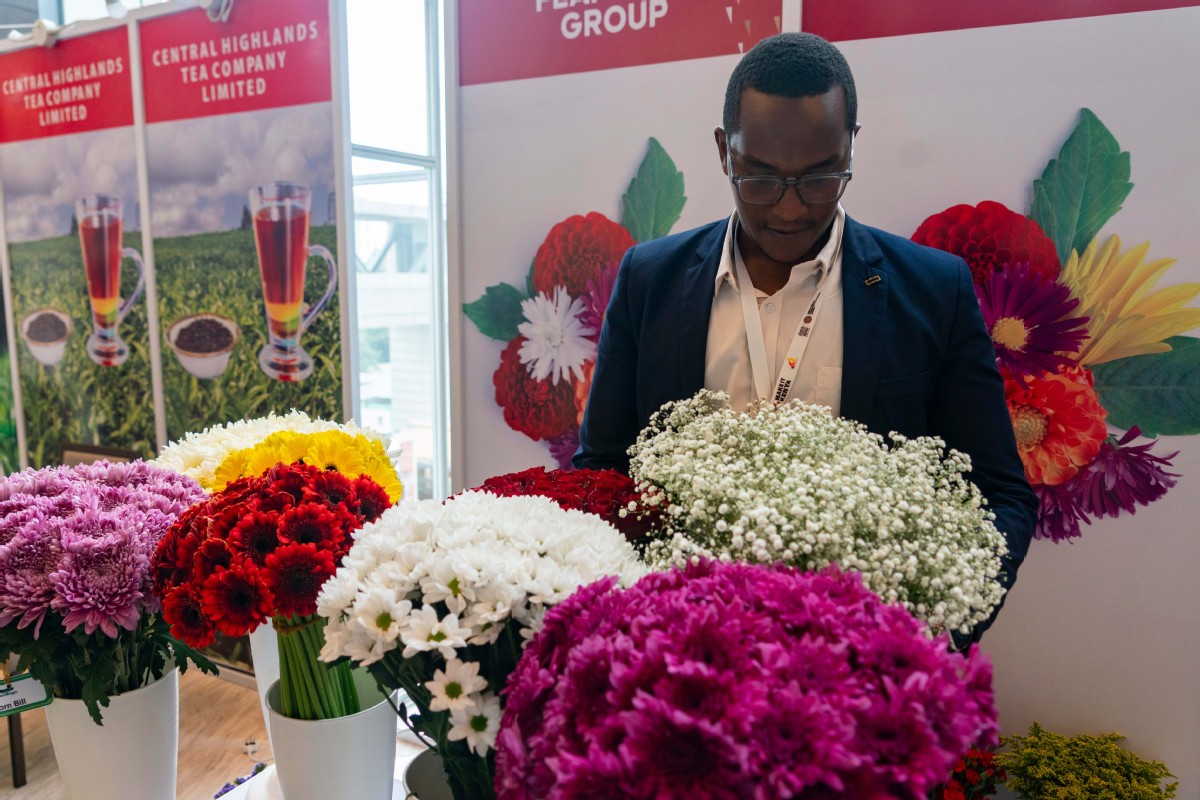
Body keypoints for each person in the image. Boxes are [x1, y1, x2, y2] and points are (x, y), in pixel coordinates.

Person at [574, 32, 1036, 641]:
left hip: (858, 664)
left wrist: (932, 638)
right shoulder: (649, 280)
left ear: (852, 145)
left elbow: (1000, 495)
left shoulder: (933, 290)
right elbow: (601, 470)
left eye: (820, 177)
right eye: (760, 178)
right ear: (724, 151)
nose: (789, 210)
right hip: (681, 651)